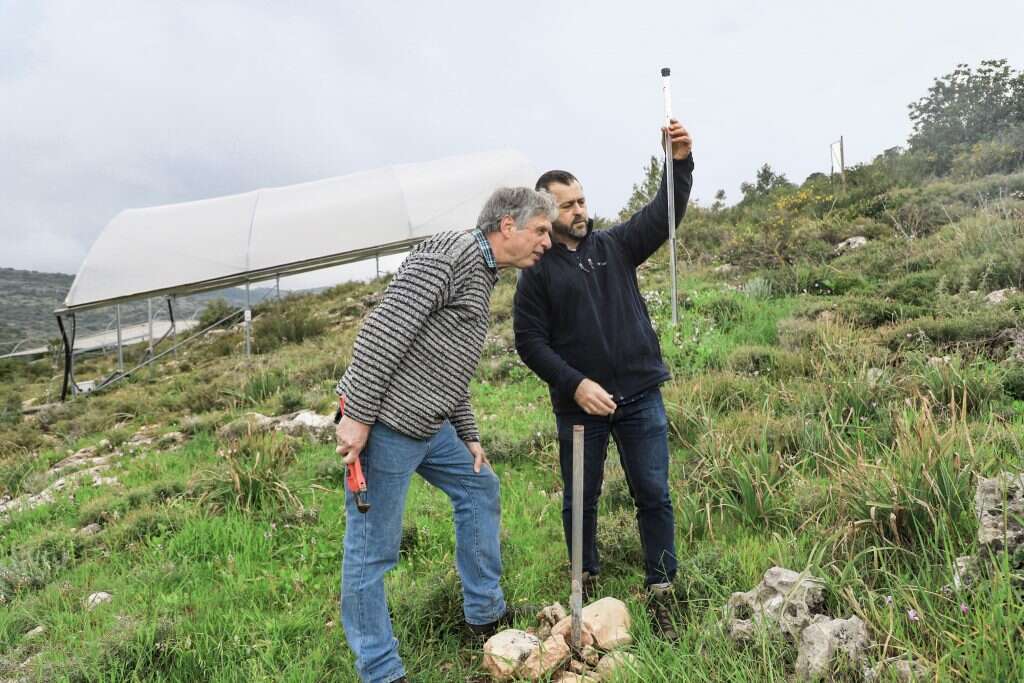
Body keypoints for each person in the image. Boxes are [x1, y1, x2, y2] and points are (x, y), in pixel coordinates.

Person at [333, 186, 555, 683]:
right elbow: (383, 332)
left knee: (479, 486)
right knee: (373, 551)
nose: (546, 240)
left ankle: (484, 614)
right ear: (507, 226)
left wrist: (469, 434)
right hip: (386, 427)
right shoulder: (450, 254)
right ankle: (381, 670)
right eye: (540, 230)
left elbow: (447, 364)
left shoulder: (484, 273)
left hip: (430, 428)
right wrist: (359, 417)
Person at [512, 119, 693, 640]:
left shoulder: (614, 246)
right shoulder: (537, 274)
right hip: (579, 409)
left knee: (653, 492)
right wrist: (575, 385)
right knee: (580, 499)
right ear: (545, 211)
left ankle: (662, 587)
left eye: (582, 201)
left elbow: (664, 216)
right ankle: (583, 579)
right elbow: (530, 343)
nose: (579, 211)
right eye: (568, 205)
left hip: (639, 395)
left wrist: (678, 164)